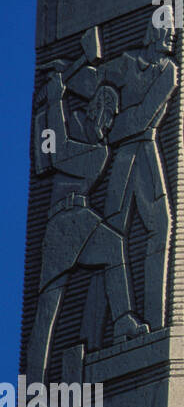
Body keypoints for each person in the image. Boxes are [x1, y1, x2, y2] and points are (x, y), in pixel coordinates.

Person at [27, 71, 147, 381]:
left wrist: (54, 101)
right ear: (97, 108)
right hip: (59, 226)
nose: (109, 124)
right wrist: (48, 106)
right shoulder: (70, 121)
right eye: (109, 115)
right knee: (46, 307)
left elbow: (61, 154)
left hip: (80, 219)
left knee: (112, 245)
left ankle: (122, 320)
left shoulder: (99, 152)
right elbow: (44, 157)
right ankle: (35, 381)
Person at [67, 20, 178, 330]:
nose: (172, 34)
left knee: (158, 229)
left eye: (173, 29)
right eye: (166, 27)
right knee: (113, 237)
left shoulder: (167, 70)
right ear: (152, 31)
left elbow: (145, 116)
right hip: (129, 155)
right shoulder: (128, 63)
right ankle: (97, 329)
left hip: (144, 151)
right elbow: (93, 83)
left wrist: (109, 129)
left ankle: (154, 321)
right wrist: (75, 66)